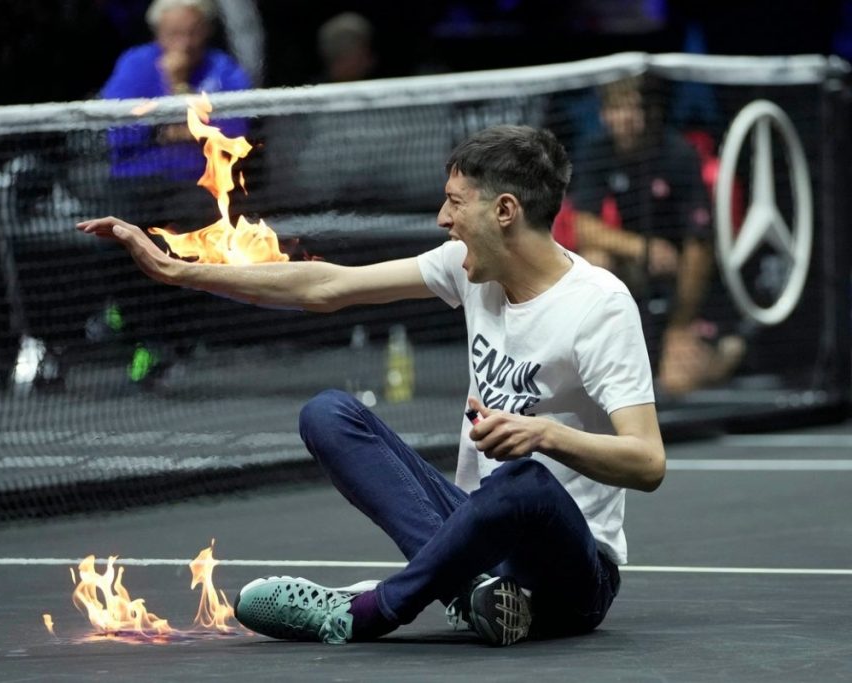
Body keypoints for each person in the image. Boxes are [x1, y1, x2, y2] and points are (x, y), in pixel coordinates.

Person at [76, 124, 666, 646]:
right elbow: (325, 287)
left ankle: (368, 611)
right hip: (477, 537)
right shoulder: (467, 271)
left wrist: (544, 435)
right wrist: (177, 271)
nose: (443, 218)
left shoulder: (599, 307)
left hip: (571, 572)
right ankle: (475, 593)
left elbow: (646, 462)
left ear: (505, 211)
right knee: (329, 413)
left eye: (455, 203)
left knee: (524, 483)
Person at [567, 76, 744, 396]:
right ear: (604, 113)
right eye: (617, 108)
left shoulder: (678, 154)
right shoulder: (597, 151)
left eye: (634, 108)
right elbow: (583, 227)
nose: (627, 118)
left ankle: (725, 350)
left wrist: (680, 323)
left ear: (652, 112)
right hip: (640, 267)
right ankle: (603, 355)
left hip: (686, 277)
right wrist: (642, 248)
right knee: (595, 260)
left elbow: (699, 245)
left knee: (677, 383)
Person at [99, 0, 251, 227]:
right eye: (175, 34)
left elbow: (236, 132)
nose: (185, 43)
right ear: (157, 33)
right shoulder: (135, 64)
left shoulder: (223, 68)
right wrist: (164, 130)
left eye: (193, 32)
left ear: (208, 30)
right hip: (134, 184)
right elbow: (116, 133)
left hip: (200, 184)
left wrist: (177, 85)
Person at [316, 12, 377, 83]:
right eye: (363, 55)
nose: (370, 61)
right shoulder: (315, 92)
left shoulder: (374, 86)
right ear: (343, 56)